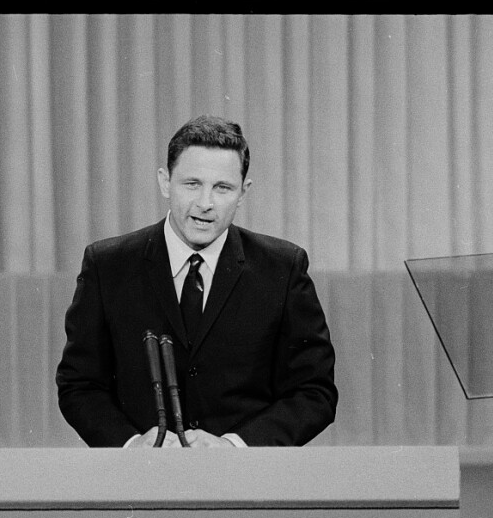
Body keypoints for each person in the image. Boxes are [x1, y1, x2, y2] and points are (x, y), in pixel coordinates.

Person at [56, 115, 337, 447]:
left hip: (245, 486)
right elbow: (80, 385)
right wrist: (132, 444)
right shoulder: (108, 265)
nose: (206, 204)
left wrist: (233, 445)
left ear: (243, 192)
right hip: (138, 481)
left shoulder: (283, 267)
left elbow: (314, 392)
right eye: (192, 184)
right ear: (165, 182)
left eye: (223, 188)